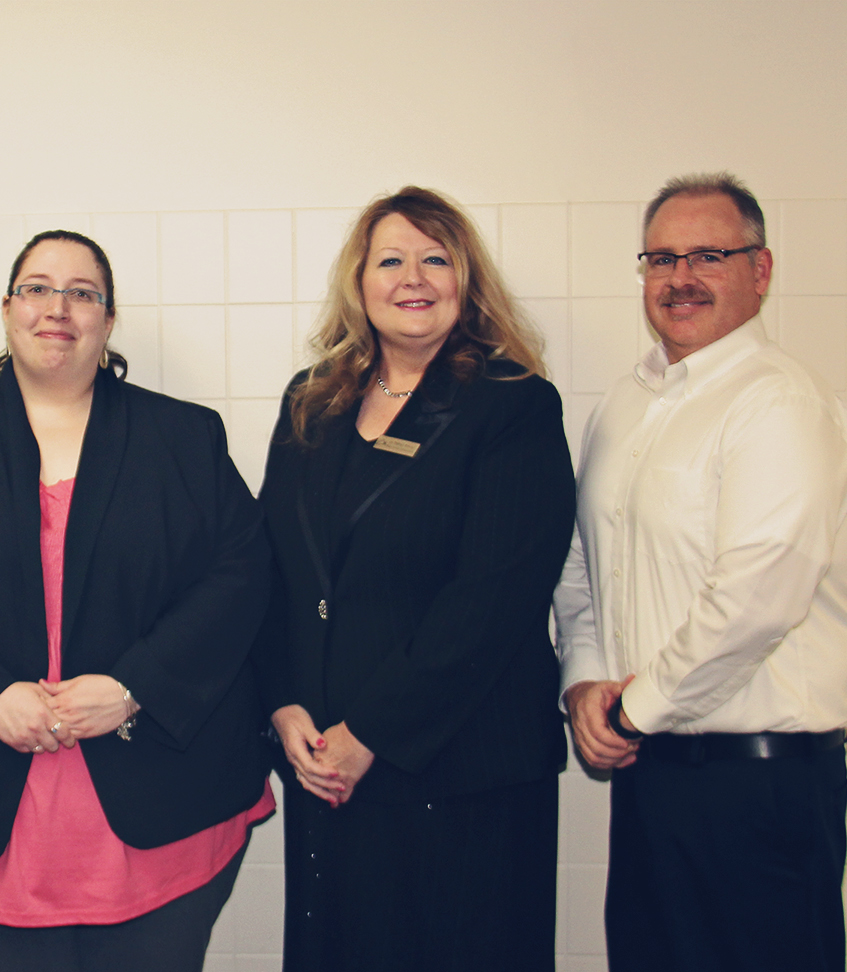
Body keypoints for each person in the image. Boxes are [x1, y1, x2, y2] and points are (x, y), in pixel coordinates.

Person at [0, 230, 274, 972]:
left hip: (157, 815)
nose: (59, 308)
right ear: (7, 309)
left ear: (109, 321)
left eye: (83, 292)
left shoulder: (183, 437)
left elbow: (242, 574)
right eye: (38, 288)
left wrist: (136, 686)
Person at [254, 187, 575, 971]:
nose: (413, 278)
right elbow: (269, 566)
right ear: (359, 282)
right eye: (391, 259)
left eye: (437, 259)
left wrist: (373, 735)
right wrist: (282, 701)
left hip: (462, 773)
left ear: (467, 282)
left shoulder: (511, 407)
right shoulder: (313, 400)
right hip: (330, 764)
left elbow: (494, 597)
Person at [555, 173, 847, 972]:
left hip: (759, 790)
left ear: (760, 270)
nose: (681, 277)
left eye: (709, 255)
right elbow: (584, 560)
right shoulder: (628, 402)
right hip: (653, 780)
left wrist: (630, 712)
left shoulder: (779, 405)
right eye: (662, 258)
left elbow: (757, 599)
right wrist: (586, 683)